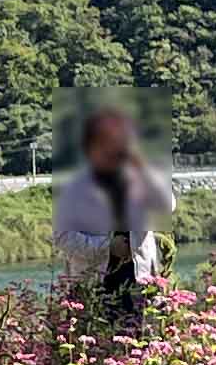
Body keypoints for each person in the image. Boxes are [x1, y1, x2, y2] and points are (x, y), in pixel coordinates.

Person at [54, 105, 175, 315]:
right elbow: (63, 238)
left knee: (140, 344)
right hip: (92, 287)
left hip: (140, 282)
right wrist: (108, 247)